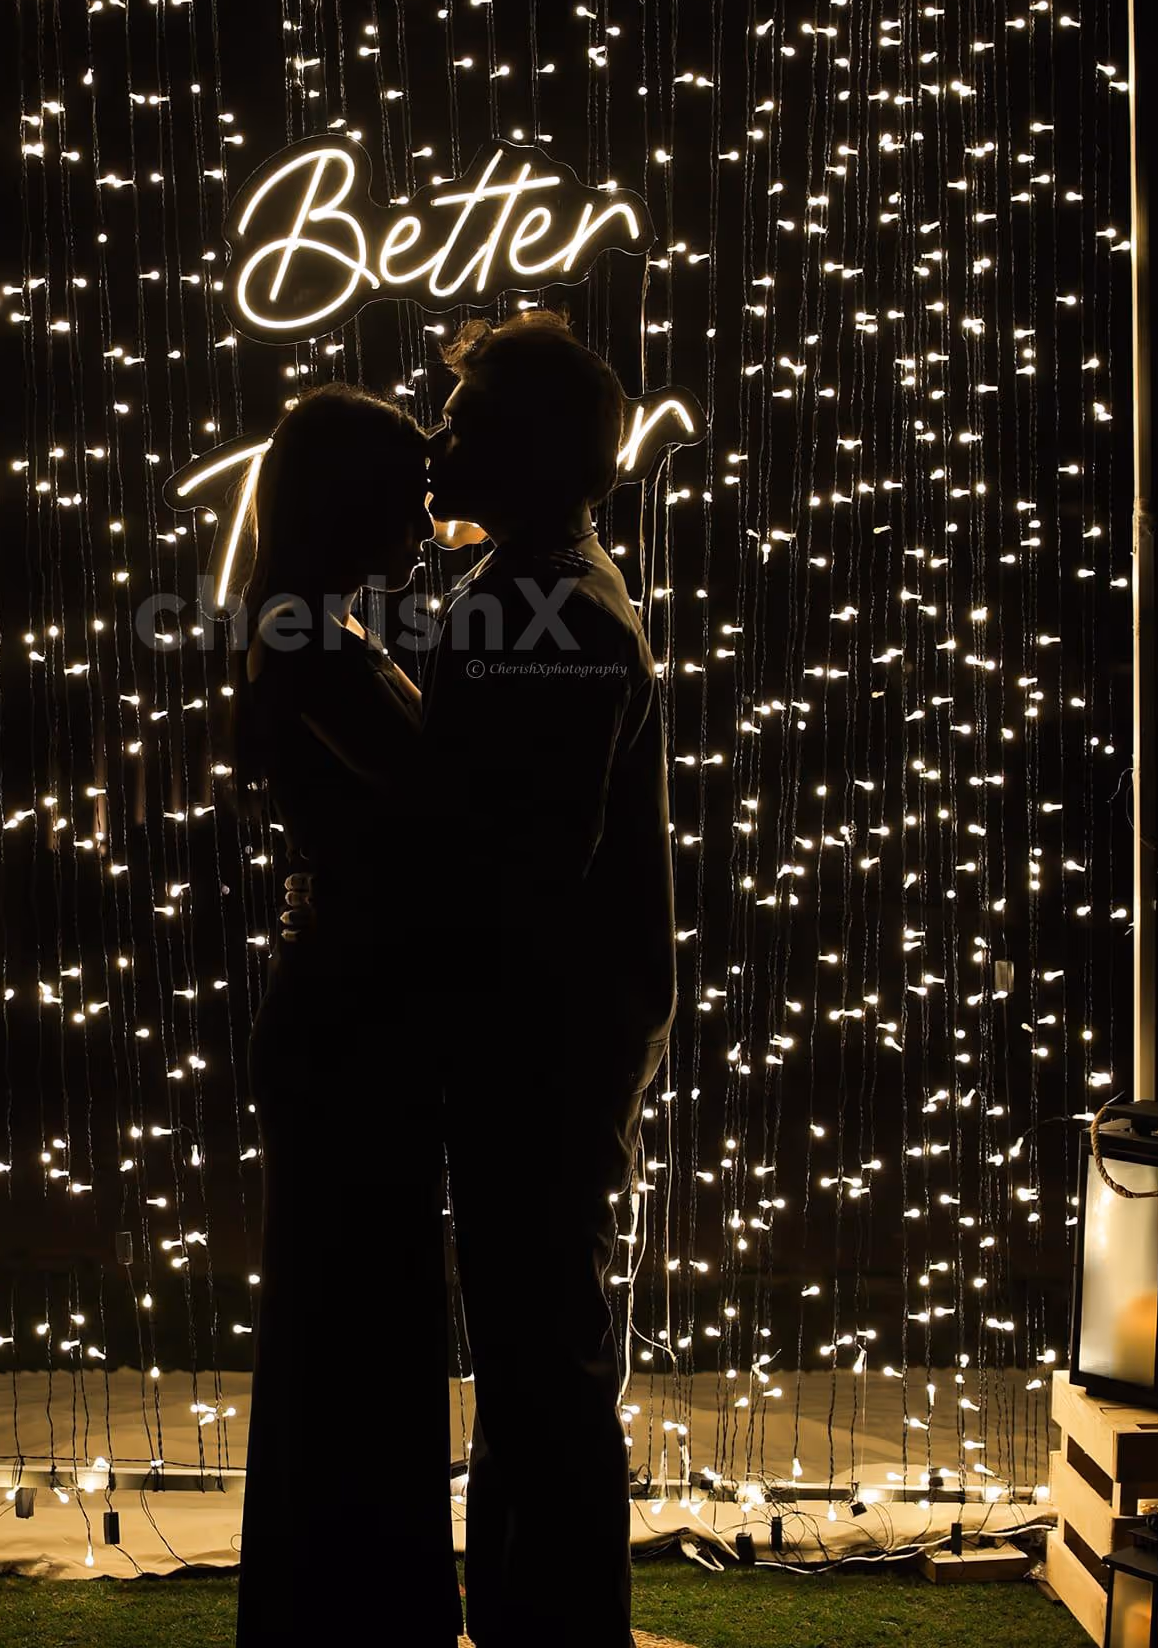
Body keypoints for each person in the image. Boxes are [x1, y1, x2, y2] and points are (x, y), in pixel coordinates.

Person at [421, 310, 678, 1648]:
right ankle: (525, 1615)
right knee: (530, 1346)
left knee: (542, 1352)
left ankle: (564, 1628)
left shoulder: (555, 612)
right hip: (548, 1028)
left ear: (525, 449)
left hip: (544, 1038)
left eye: (463, 423)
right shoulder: (538, 586)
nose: (436, 442)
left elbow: (523, 866)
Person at [230, 384, 461, 1648]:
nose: (426, 522)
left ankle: (343, 1606)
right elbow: (445, 804)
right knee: (354, 1330)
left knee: (356, 1327)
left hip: (352, 1016)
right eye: (408, 496)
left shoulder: (320, 628)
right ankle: (351, 1611)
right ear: (349, 503)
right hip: (346, 1030)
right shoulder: (313, 639)